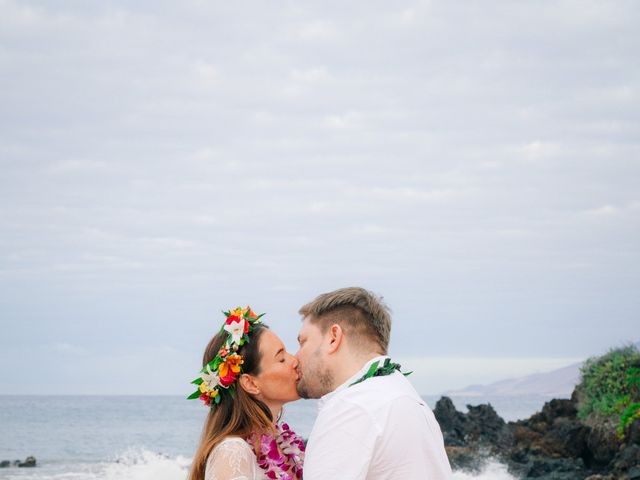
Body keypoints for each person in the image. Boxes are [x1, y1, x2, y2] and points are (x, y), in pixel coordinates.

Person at [295, 287, 452, 479]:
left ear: (333, 338)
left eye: (303, 342)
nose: (296, 357)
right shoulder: (405, 396)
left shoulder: (351, 408)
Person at [188, 306, 305, 480]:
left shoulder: (283, 445)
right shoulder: (233, 453)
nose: (294, 360)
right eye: (281, 359)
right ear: (250, 383)